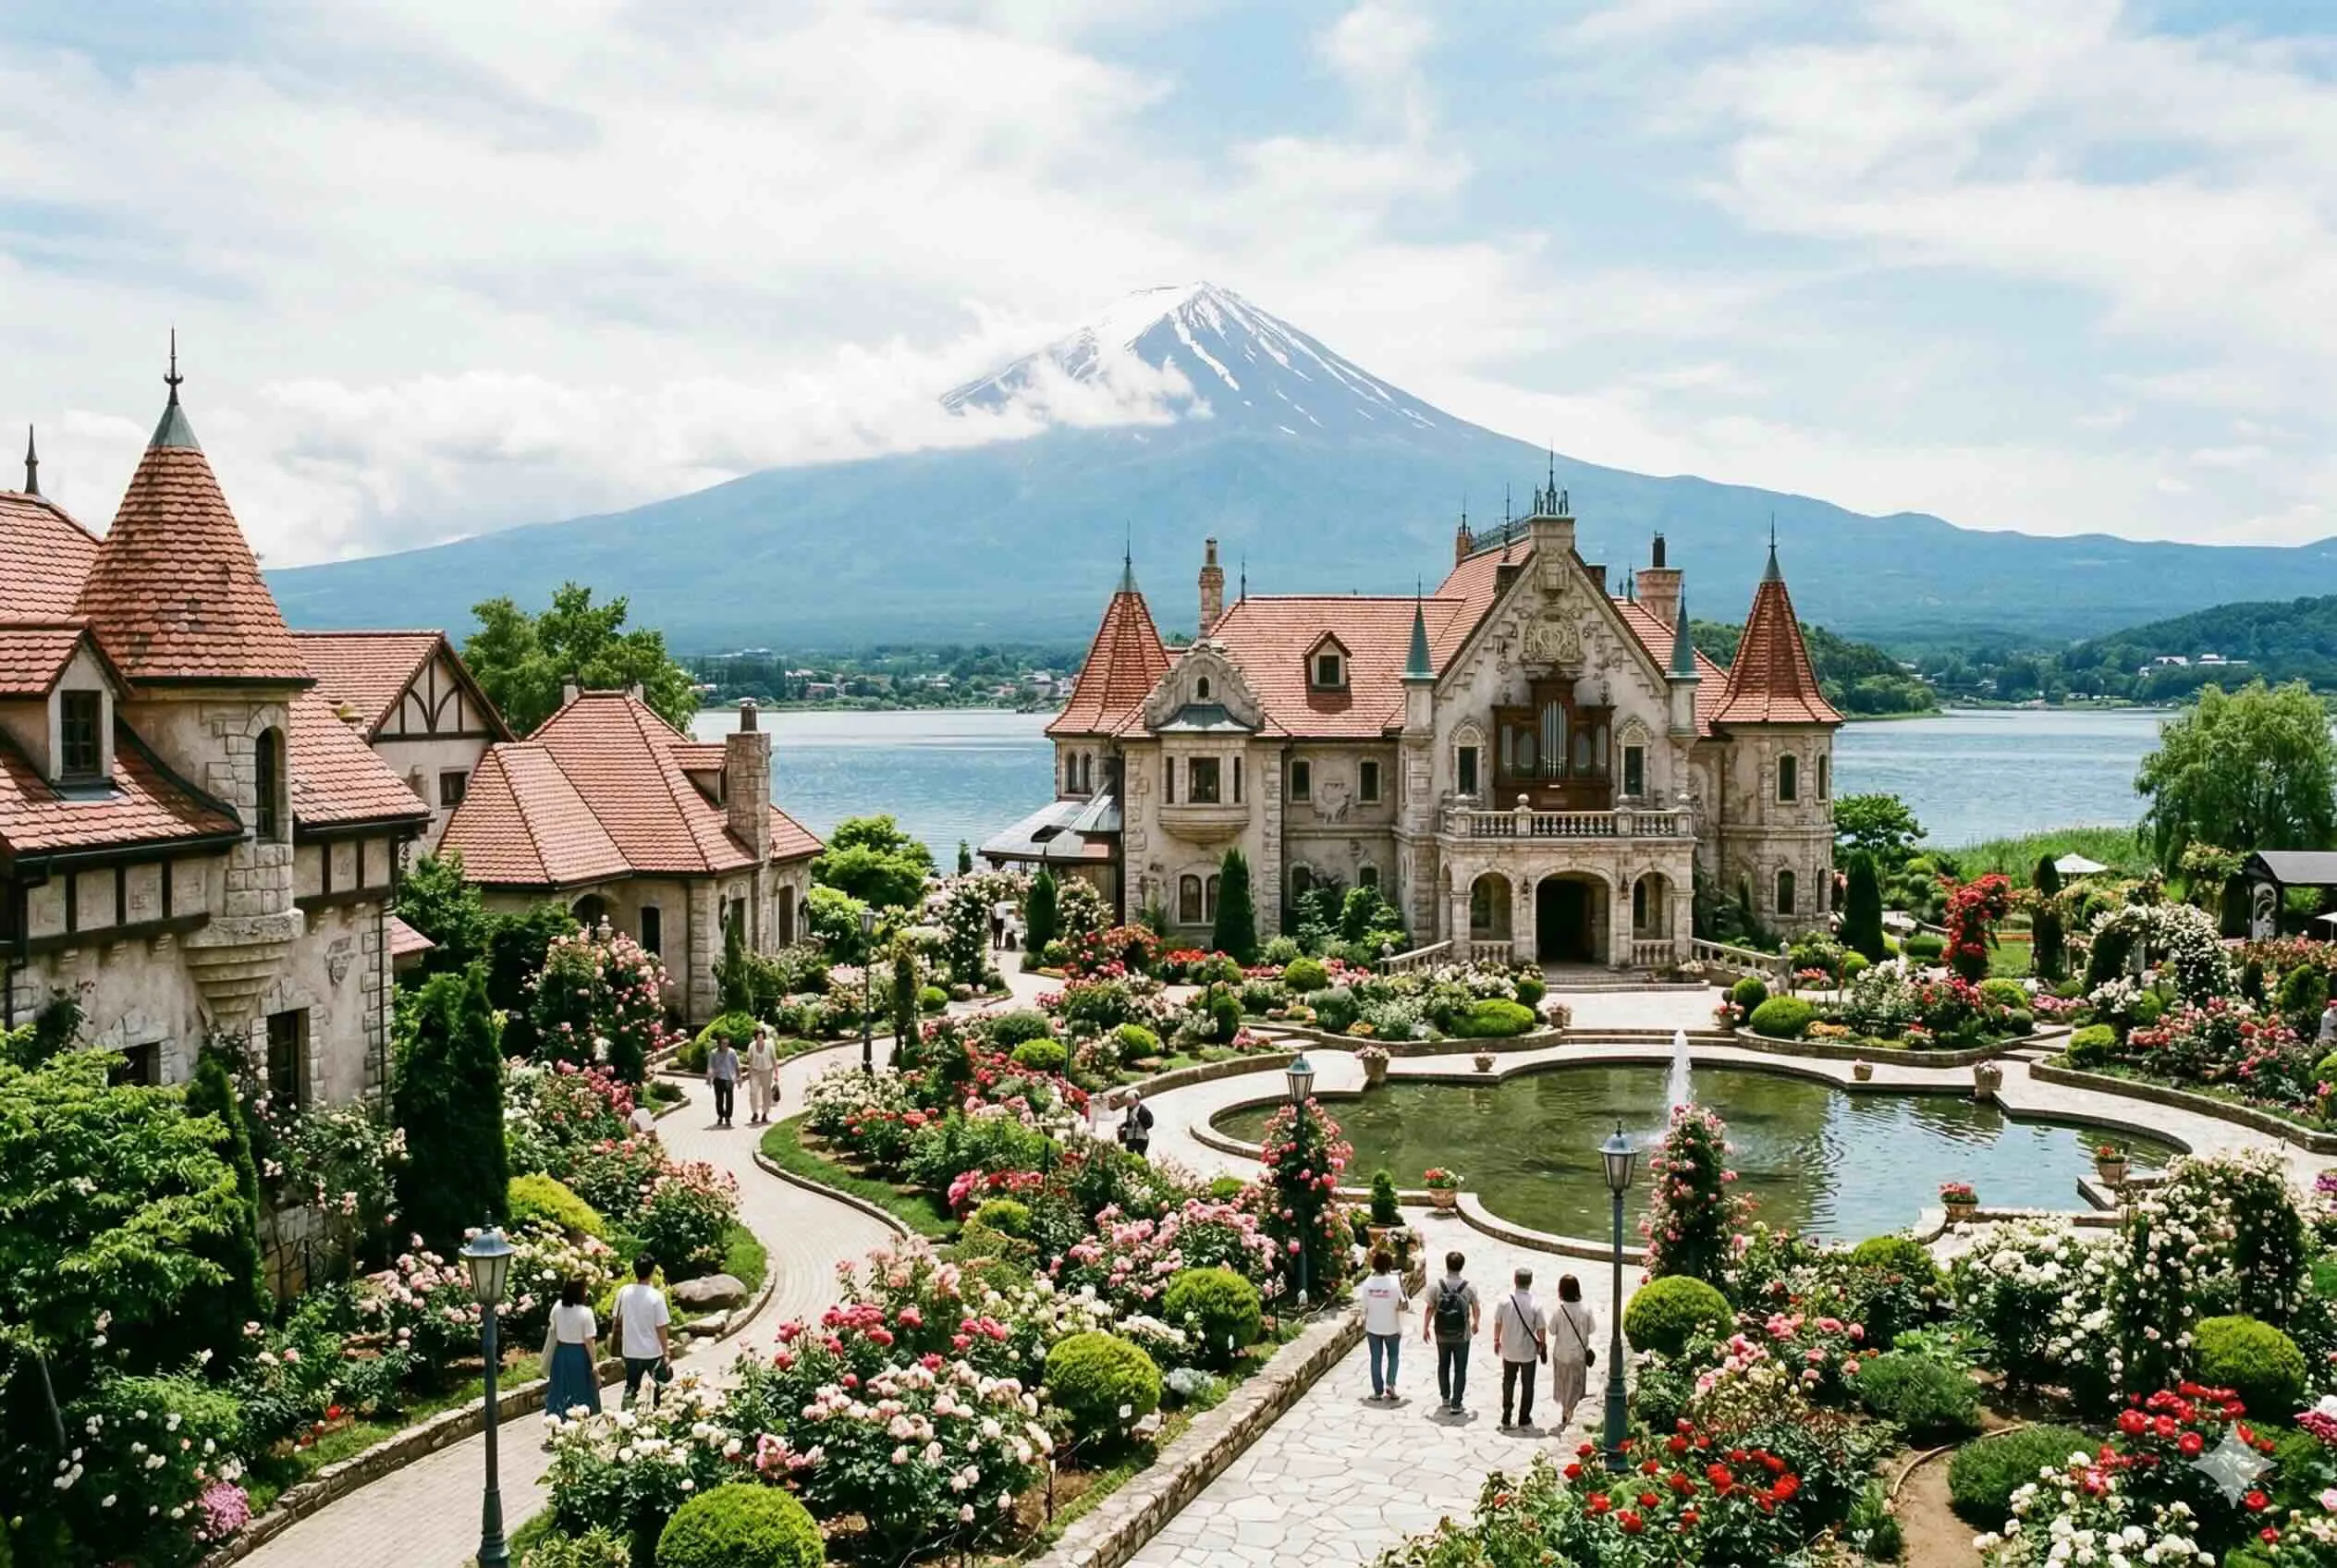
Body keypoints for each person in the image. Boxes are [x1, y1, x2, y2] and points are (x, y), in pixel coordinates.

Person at [609, 1254, 673, 1410]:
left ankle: (626, 1419)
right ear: (652, 1271)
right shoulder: (656, 1296)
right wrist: (666, 1353)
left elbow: (616, 1320)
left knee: (631, 1387)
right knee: (660, 1388)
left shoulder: (624, 1292)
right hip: (652, 1352)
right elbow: (661, 1327)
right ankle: (660, 1419)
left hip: (630, 1350)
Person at [1422, 1250, 1480, 1415]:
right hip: (1462, 1335)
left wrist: (1425, 1328)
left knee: (1443, 1365)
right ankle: (1457, 1403)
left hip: (1442, 1333)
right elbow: (1476, 1307)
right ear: (1462, 1266)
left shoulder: (1436, 1285)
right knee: (1460, 1369)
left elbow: (1430, 1308)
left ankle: (1445, 1397)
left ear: (1446, 1264)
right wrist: (1476, 1323)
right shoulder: (1469, 1287)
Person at [1492, 1266, 1548, 1430]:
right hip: (1527, 1351)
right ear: (1530, 1282)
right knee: (1528, 1384)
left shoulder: (1504, 1301)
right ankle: (1524, 1417)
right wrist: (1542, 1345)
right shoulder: (1536, 1304)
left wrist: (1496, 1340)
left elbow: (1498, 1322)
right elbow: (1541, 1328)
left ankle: (1506, 1415)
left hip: (1509, 1349)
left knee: (1508, 1382)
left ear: (1515, 1280)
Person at [542, 1278, 601, 1419]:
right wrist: (594, 1363)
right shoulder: (586, 1313)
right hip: (579, 1355)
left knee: (560, 1389)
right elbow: (589, 1341)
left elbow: (553, 1328)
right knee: (580, 1390)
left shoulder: (557, 1307)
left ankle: (558, 1418)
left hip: (561, 1352)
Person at [1358, 1246, 1409, 1402]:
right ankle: (1391, 1384)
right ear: (1390, 1264)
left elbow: (1363, 1306)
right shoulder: (1395, 1282)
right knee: (1393, 1356)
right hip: (1392, 1326)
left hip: (1373, 1326)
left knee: (1376, 1358)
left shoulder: (1367, 1284)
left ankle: (1377, 1391)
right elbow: (1403, 1303)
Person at [1549, 1274, 1598, 1428]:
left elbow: (1551, 1330)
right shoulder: (1586, 1310)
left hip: (1561, 1354)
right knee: (1576, 1386)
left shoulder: (1559, 1311)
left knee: (1564, 1384)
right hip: (1578, 1355)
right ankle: (1571, 1411)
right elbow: (1592, 1329)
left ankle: (1566, 1410)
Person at [745, 1025, 779, 1126]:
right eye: (758, 1037)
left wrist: (776, 1073)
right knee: (753, 1093)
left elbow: (774, 1059)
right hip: (755, 1072)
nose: (760, 1039)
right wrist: (750, 1075)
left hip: (767, 1072)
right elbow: (750, 1062)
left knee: (766, 1094)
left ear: (764, 1037)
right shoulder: (751, 1046)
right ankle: (755, 1113)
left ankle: (765, 1113)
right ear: (755, 1038)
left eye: (762, 1037)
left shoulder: (769, 1045)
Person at [705, 1035, 740, 1128]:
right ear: (719, 1044)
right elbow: (710, 1066)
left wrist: (739, 1078)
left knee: (729, 1100)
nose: (726, 1045)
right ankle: (721, 1115)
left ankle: (728, 1117)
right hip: (718, 1079)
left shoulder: (732, 1052)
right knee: (719, 1100)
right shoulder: (713, 1053)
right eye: (724, 1044)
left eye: (727, 1043)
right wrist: (709, 1078)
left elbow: (737, 1066)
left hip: (729, 1079)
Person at [1116, 1090, 1154, 1158]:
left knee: (1140, 1157)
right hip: (1131, 1137)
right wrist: (1122, 1125)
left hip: (1141, 1138)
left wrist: (1139, 1121)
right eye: (1127, 1101)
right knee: (1129, 1156)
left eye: (1130, 1101)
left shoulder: (1144, 1111)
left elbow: (1150, 1123)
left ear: (1137, 1100)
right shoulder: (1130, 1109)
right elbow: (1130, 1122)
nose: (1128, 1103)